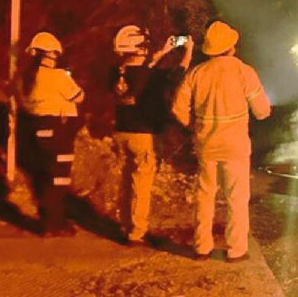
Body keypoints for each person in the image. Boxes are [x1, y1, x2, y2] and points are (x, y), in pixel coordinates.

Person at [171, 20, 271, 262]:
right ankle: (236, 250)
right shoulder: (243, 71)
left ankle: (202, 247)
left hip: (206, 145)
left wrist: (191, 126)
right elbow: (262, 111)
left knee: (205, 196)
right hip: (235, 146)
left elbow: (177, 108)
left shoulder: (197, 73)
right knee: (236, 198)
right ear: (231, 47)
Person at [111, 25, 193, 244]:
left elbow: (146, 68)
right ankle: (137, 232)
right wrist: (188, 51)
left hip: (121, 131)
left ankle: (125, 224)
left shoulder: (118, 71)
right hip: (143, 135)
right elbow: (177, 74)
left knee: (126, 180)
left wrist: (163, 52)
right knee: (141, 183)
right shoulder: (150, 75)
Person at [17, 31, 85, 236]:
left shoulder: (26, 78)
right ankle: (55, 223)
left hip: (36, 127)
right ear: (51, 54)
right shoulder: (58, 76)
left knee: (45, 176)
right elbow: (79, 96)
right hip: (57, 128)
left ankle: (49, 220)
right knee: (59, 178)